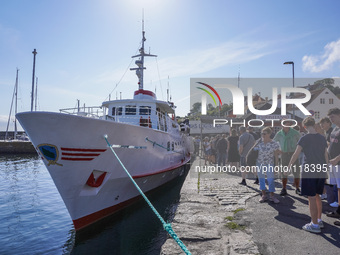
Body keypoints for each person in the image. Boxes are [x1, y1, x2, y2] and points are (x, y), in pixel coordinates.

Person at [289, 117, 328, 233]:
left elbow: (296, 154)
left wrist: (288, 166)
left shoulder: (304, 138)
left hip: (309, 169)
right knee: (317, 196)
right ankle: (318, 220)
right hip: (321, 169)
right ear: (314, 125)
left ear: (305, 126)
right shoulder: (322, 138)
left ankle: (314, 224)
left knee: (311, 197)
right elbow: (326, 155)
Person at [273, 123, 301, 196]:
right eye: (283, 124)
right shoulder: (279, 133)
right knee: (283, 172)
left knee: (296, 171)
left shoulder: (295, 133)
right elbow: (273, 142)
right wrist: (278, 150)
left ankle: (297, 188)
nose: (285, 125)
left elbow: (301, 142)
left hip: (293, 154)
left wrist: (298, 151)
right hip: (284, 154)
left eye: (287, 123)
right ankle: (284, 188)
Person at [255, 127, 281, 204]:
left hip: (270, 163)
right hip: (260, 163)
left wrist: (276, 166)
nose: (263, 135)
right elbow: (254, 153)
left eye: (264, 133)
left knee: (270, 180)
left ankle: (272, 195)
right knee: (261, 179)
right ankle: (263, 195)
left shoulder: (274, 143)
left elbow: (276, 156)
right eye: (262, 133)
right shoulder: (259, 142)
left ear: (269, 134)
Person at [325, 108, 340, 226]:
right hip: (333, 164)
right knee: (338, 188)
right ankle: (339, 211)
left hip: (338, 163)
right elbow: (330, 145)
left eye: (333, 117)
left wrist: (337, 158)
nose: (331, 120)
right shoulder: (335, 129)